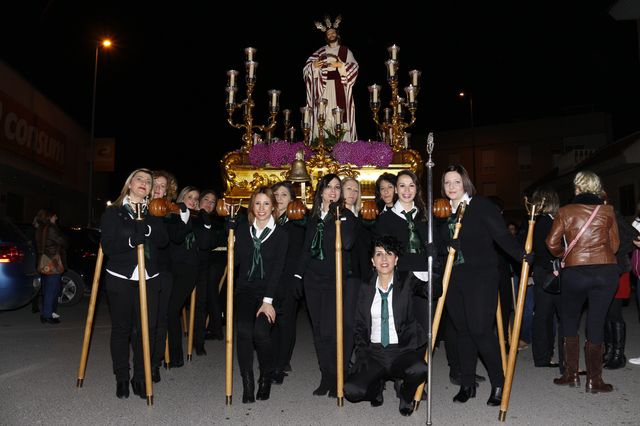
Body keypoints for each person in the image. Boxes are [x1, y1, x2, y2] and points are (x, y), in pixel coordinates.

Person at [438, 164, 532, 406]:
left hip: (481, 276)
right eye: (447, 182)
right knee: (463, 331)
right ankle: (468, 384)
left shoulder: (480, 206)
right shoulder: (442, 212)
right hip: (454, 278)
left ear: (465, 183)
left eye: (456, 182)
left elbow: (501, 236)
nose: (451, 187)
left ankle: (499, 382)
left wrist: (521, 255)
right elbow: (439, 246)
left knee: (480, 329)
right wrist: (440, 248)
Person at [546, 170, 619, 393]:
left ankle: (570, 375)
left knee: (569, 321)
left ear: (577, 188)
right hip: (605, 272)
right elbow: (614, 245)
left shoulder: (565, 211)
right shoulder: (608, 211)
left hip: (575, 274)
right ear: (597, 188)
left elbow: (551, 243)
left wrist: (564, 255)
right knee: (596, 323)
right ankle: (594, 381)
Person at [99, 168, 169, 399]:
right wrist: (131, 240)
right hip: (120, 278)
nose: (144, 183)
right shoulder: (114, 212)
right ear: (130, 184)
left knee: (145, 330)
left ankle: (140, 375)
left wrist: (146, 228)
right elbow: (109, 246)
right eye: (139, 179)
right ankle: (121, 376)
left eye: (148, 181)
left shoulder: (154, 212)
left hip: (149, 279)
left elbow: (162, 240)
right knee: (121, 329)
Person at [344, 235, 428, 417]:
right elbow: (359, 325)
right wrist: (362, 354)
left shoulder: (407, 280)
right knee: (351, 391)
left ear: (396, 259)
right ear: (372, 261)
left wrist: (432, 264)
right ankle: (377, 386)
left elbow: (432, 291)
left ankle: (406, 396)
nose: (384, 259)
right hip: (374, 351)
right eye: (379, 254)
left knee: (421, 369)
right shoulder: (364, 287)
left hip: (402, 350)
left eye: (389, 254)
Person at [294, 173, 356, 397]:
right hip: (312, 280)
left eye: (337, 188)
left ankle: (338, 374)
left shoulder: (346, 215)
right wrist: (297, 277)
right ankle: (326, 376)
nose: (333, 191)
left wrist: (336, 216)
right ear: (321, 190)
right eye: (328, 187)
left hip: (334, 280)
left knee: (330, 331)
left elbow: (347, 243)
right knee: (319, 331)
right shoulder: (312, 219)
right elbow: (305, 251)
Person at [232, 187, 288, 403]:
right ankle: (248, 382)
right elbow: (235, 262)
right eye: (257, 203)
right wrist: (230, 238)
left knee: (261, 333)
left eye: (266, 203)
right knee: (244, 331)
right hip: (245, 290)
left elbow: (278, 270)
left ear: (273, 206)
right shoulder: (242, 231)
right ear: (251, 206)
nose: (261, 208)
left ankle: (265, 376)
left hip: (270, 292)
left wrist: (268, 301)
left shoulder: (281, 234)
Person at [167, 186, 211, 366]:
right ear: (181, 197)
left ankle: (175, 356)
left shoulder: (198, 219)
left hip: (189, 270)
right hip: (170, 268)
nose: (193, 201)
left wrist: (206, 224)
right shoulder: (171, 214)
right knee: (167, 311)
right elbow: (176, 238)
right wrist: (184, 221)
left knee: (171, 310)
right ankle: (165, 354)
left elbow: (205, 243)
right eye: (189, 197)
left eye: (195, 198)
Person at [270, 181, 306, 383]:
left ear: (292, 200)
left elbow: (300, 252)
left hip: (288, 277)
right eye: (276, 194)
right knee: (269, 320)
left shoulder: (296, 221)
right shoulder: (264, 218)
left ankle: (281, 363)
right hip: (268, 279)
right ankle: (273, 357)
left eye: (284, 195)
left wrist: (297, 277)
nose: (279, 198)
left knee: (285, 321)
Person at [304, 15, 358, 142]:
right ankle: (322, 144)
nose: (331, 35)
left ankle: (343, 146)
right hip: (324, 88)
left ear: (337, 34)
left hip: (340, 87)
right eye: (329, 33)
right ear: (326, 36)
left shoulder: (345, 51)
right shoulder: (320, 52)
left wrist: (341, 66)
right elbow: (307, 68)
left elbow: (354, 67)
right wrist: (313, 67)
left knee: (340, 116)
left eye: (333, 32)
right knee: (325, 115)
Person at [601, 192, 639, 370]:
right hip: (601, 270)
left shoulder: (614, 214)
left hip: (617, 270)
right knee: (605, 312)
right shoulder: (592, 216)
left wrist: (614, 251)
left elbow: (634, 236)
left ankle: (618, 354)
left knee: (614, 312)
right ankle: (609, 351)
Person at [149, 169, 178, 383]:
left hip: (163, 271)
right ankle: (142, 360)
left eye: (163, 187)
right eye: (155, 185)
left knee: (160, 319)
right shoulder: (136, 207)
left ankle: (154, 363)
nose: (159, 189)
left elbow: (174, 238)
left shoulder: (169, 213)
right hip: (139, 271)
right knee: (141, 321)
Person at [530, 185, 563, 370]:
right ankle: (545, 356)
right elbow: (545, 249)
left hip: (544, 271)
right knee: (548, 316)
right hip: (550, 271)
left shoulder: (540, 221)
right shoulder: (546, 222)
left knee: (544, 315)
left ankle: (544, 356)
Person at [193, 190, 226, 354]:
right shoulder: (190, 217)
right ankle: (213, 328)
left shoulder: (217, 220)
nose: (209, 203)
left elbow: (215, 242)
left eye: (212, 202)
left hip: (215, 260)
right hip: (194, 261)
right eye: (206, 199)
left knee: (210, 286)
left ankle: (216, 328)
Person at [34, 209, 67, 324]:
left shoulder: (40, 228)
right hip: (52, 261)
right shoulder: (51, 228)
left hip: (43, 261)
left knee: (47, 288)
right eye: (54, 215)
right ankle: (47, 315)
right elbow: (61, 241)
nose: (56, 217)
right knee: (52, 290)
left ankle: (47, 313)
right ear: (50, 217)